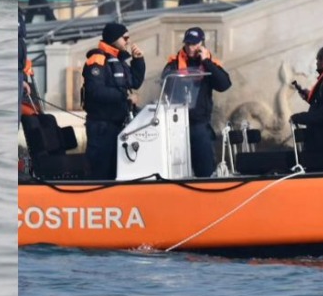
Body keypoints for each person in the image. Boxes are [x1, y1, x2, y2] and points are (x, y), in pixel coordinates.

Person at [160, 27, 232, 178]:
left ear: (201, 44)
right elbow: (165, 84)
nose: (191, 48)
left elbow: (224, 85)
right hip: (176, 123)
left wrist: (206, 61)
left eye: (194, 44)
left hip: (199, 123)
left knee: (205, 170)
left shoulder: (210, 62)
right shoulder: (173, 63)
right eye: (188, 44)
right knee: (176, 169)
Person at [81, 22, 146, 181]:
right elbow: (95, 91)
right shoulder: (98, 59)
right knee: (100, 172)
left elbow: (134, 82)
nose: (128, 41)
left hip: (117, 125)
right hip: (101, 127)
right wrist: (124, 97)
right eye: (125, 37)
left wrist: (138, 61)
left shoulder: (118, 60)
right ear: (114, 38)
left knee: (115, 172)